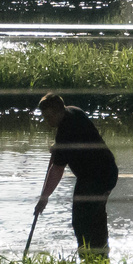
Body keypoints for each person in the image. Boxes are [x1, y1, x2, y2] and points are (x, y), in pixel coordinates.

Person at [32, 92, 118, 255]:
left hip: (94, 178)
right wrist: (57, 148)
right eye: (44, 116)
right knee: (96, 217)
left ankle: (87, 257)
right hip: (109, 172)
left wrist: (44, 198)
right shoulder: (74, 111)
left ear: (59, 112)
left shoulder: (65, 133)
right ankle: (101, 256)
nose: (47, 121)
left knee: (81, 221)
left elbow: (57, 170)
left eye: (49, 117)